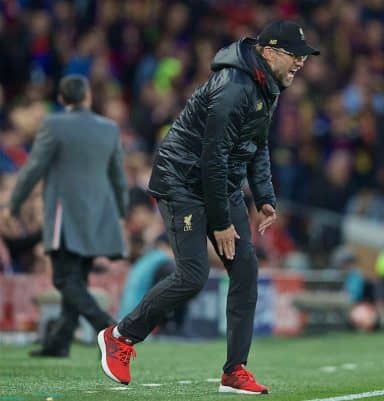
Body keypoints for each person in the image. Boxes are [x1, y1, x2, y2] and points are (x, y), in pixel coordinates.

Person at [97, 20, 319, 394]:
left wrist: (264, 197)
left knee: (246, 270)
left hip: (219, 183)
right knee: (193, 275)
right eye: (295, 55)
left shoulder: (267, 85)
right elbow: (211, 158)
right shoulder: (235, 88)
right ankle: (120, 336)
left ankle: (235, 371)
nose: (301, 63)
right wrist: (220, 222)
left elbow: (257, 143)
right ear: (269, 52)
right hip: (183, 182)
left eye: (303, 57)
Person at [2, 74, 128, 357]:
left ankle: (109, 329)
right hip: (98, 214)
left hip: (65, 214)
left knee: (63, 279)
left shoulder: (54, 124)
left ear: (61, 99)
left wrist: (13, 205)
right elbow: (119, 177)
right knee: (77, 278)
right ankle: (59, 341)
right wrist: (120, 214)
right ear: (87, 97)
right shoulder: (109, 128)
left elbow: (34, 168)